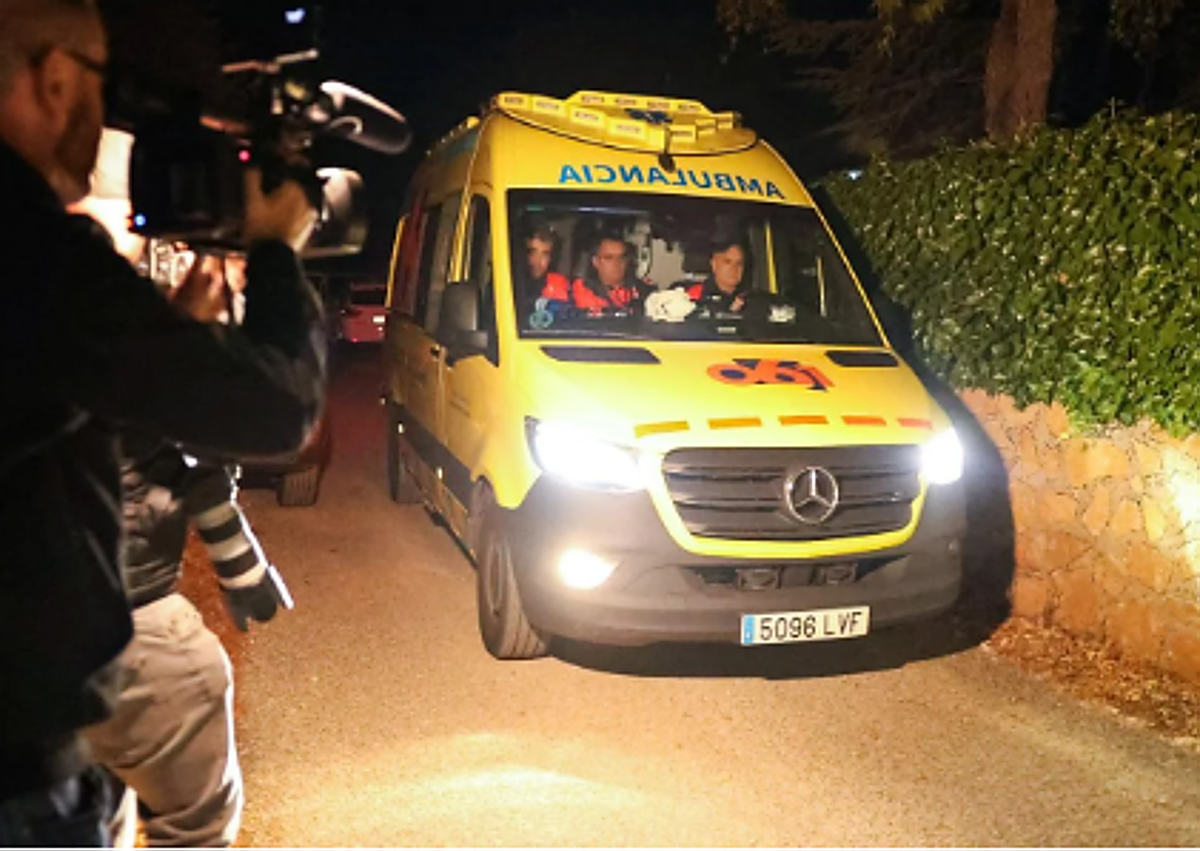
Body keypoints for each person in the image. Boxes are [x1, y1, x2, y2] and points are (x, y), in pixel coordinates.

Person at [0, 1, 324, 845]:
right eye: (105, 90)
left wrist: (165, 336)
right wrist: (281, 251)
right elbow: (276, 409)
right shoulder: (32, 254)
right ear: (57, 81)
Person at [543, 235, 648, 315]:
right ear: (595, 262)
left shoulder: (643, 292)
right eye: (609, 258)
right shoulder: (574, 290)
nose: (617, 263)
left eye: (621, 257)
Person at [678, 236, 749, 314]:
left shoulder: (751, 300)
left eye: (739, 263)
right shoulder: (694, 297)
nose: (734, 268)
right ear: (714, 264)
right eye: (727, 262)